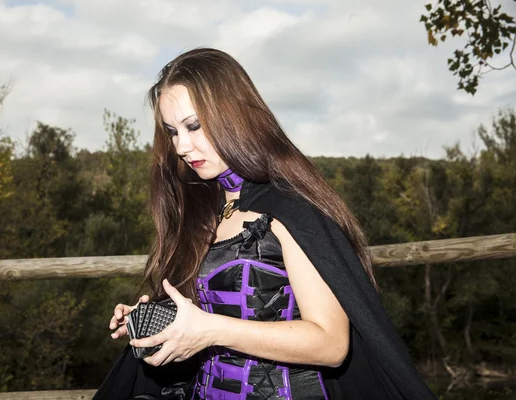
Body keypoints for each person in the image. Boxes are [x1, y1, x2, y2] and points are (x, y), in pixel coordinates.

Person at [94, 48, 437, 400]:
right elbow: (217, 309)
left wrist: (209, 330)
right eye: (172, 132)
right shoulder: (202, 209)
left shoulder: (291, 208)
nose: (181, 146)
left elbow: (331, 343)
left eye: (193, 126)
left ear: (232, 116)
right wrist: (159, 318)